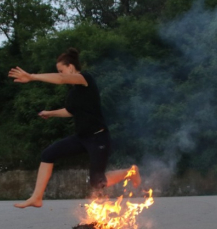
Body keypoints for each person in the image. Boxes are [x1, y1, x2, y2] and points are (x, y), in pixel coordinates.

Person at [8, 48, 141, 208]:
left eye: (61, 70)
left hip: (98, 137)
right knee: (48, 154)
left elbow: (62, 78)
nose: (60, 73)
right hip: (81, 137)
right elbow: (70, 111)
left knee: (97, 181)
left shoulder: (85, 79)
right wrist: (50, 113)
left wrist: (32, 76)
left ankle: (131, 172)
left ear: (71, 67)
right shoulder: (73, 93)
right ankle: (37, 197)